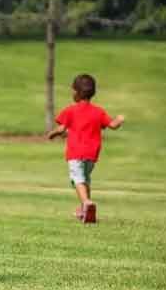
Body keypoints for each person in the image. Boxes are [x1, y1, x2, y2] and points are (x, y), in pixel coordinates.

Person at [48, 74, 124, 223]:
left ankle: (86, 203)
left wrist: (53, 134)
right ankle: (84, 210)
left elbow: (62, 128)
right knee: (85, 180)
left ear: (75, 92)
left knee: (77, 179)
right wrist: (119, 119)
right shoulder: (98, 112)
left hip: (76, 152)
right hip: (92, 154)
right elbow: (113, 125)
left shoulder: (70, 110)